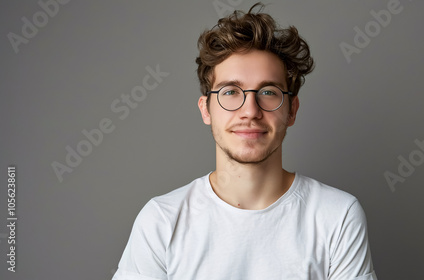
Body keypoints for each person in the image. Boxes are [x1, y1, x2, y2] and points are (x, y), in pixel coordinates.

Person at [112, 3, 377, 280]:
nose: (250, 111)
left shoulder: (337, 216)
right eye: (230, 92)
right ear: (205, 109)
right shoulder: (162, 220)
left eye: (268, 91)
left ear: (292, 110)